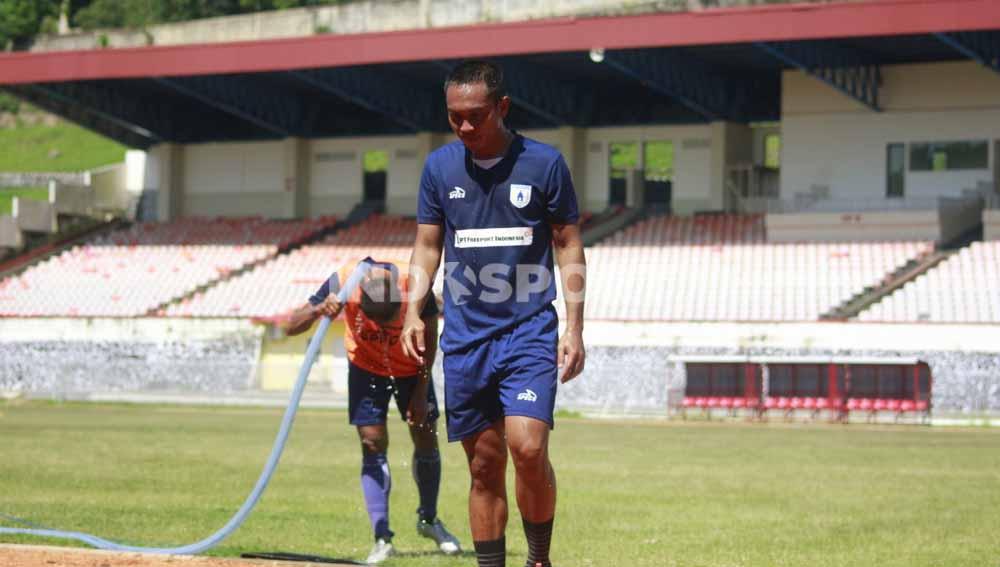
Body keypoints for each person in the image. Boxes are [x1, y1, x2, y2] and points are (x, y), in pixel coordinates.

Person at [401, 61, 587, 567]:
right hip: (466, 340)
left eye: (475, 115)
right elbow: (427, 245)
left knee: (528, 448)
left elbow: (568, 244)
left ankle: (539, 559)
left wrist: (574, 327)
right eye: (454, 116)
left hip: (528, 330)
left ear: (502, 107)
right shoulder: (439, 168)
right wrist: (413, 311)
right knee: (484, 467)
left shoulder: (544, 164)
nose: (464, 126)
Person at [283, 258, 462, 565]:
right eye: (375, 321)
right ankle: (382, 538)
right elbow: (289, 327)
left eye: (389, 320)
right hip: (365, 367)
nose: (381, 329)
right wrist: (318, 310)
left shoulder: (414, 283)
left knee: (425, 435)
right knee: (371, 442)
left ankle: (429, 519)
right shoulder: (343, 280)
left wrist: (421, 391)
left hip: (412, 368)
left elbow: (431, 335)